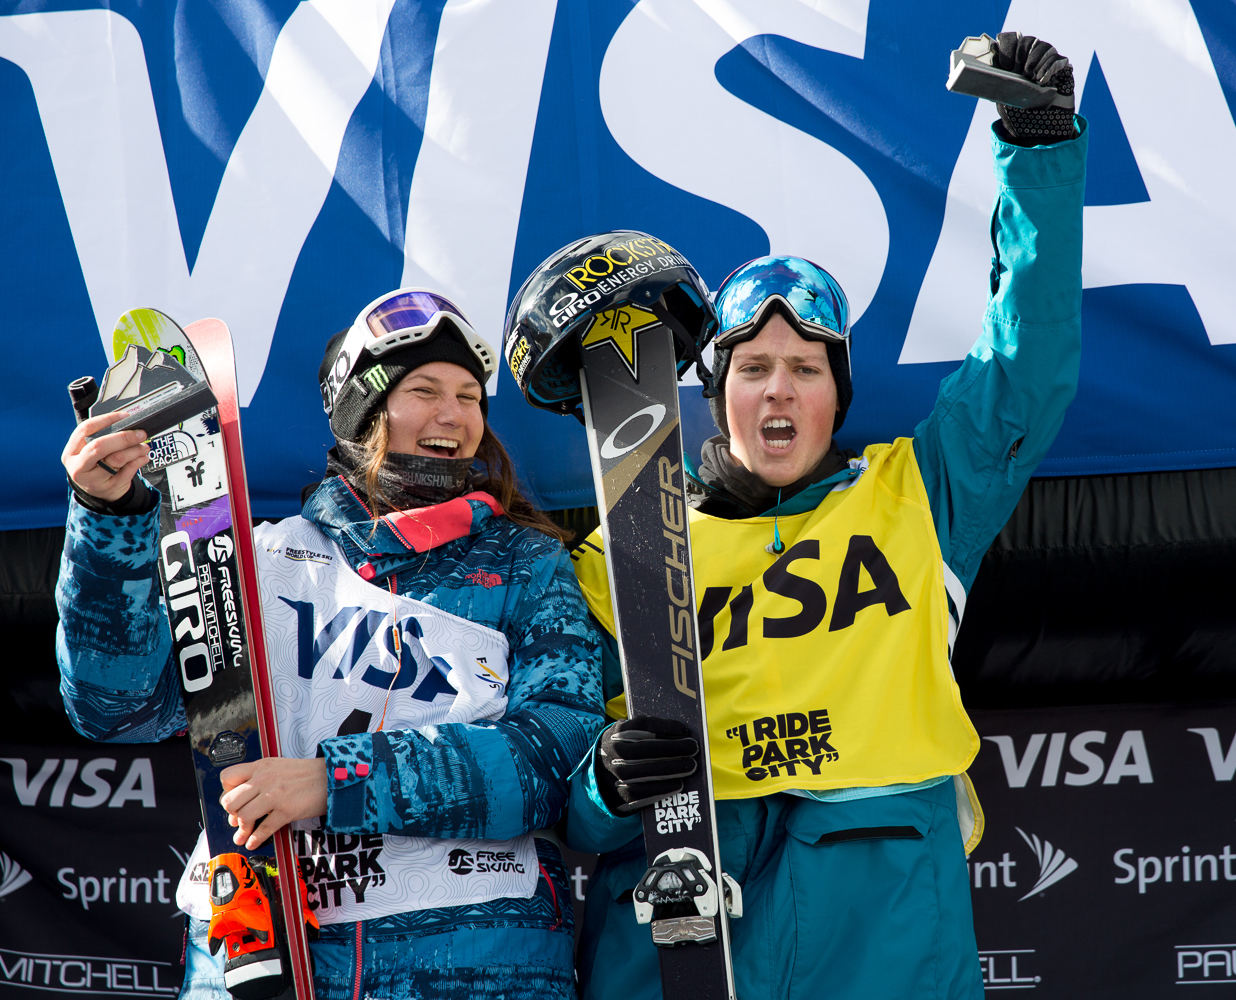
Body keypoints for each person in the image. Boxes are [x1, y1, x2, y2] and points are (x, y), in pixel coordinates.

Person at [504, 32, 1087, 1000]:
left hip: (882, 926)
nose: (780, 392)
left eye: (807, 369)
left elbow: (1027, 364)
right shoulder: (619, 554)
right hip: (686, 928)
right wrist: (605, 784)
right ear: (715, 391)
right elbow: (567, 801)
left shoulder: (918, 495)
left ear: (838, 392)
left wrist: (1037, 146)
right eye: (755, 369)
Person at [57, 288, 605, 1000]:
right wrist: (110, 521)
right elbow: (118, 708)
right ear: (363, 411)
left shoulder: (526, 567)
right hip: (257, 952)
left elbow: (556, 752)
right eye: (426, 390)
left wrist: (337, 780)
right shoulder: (256, 561)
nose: (455, 415)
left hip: (478, 960)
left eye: (471, 397)